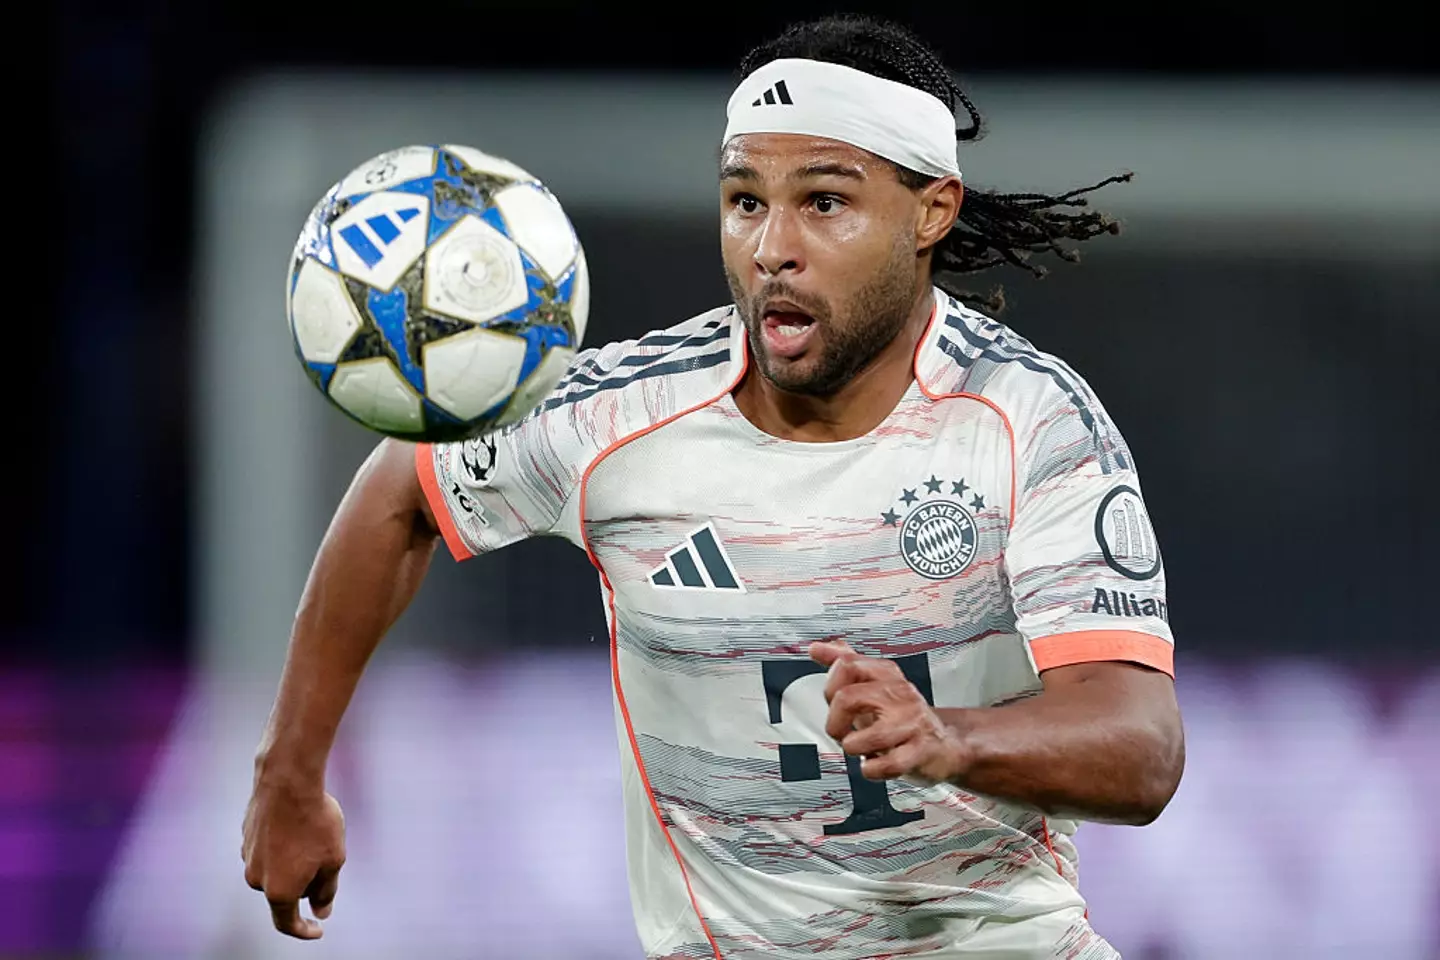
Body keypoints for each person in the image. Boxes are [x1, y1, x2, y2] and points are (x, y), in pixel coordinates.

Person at [242, 13, 1184, 959]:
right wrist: (290, 772)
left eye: (824, 201)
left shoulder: (1029, 422)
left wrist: (951, 740)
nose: (772, 246)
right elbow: (400, 487)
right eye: (744, 201)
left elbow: (1142, 748)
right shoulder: (619, 415)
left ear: (931, 212)